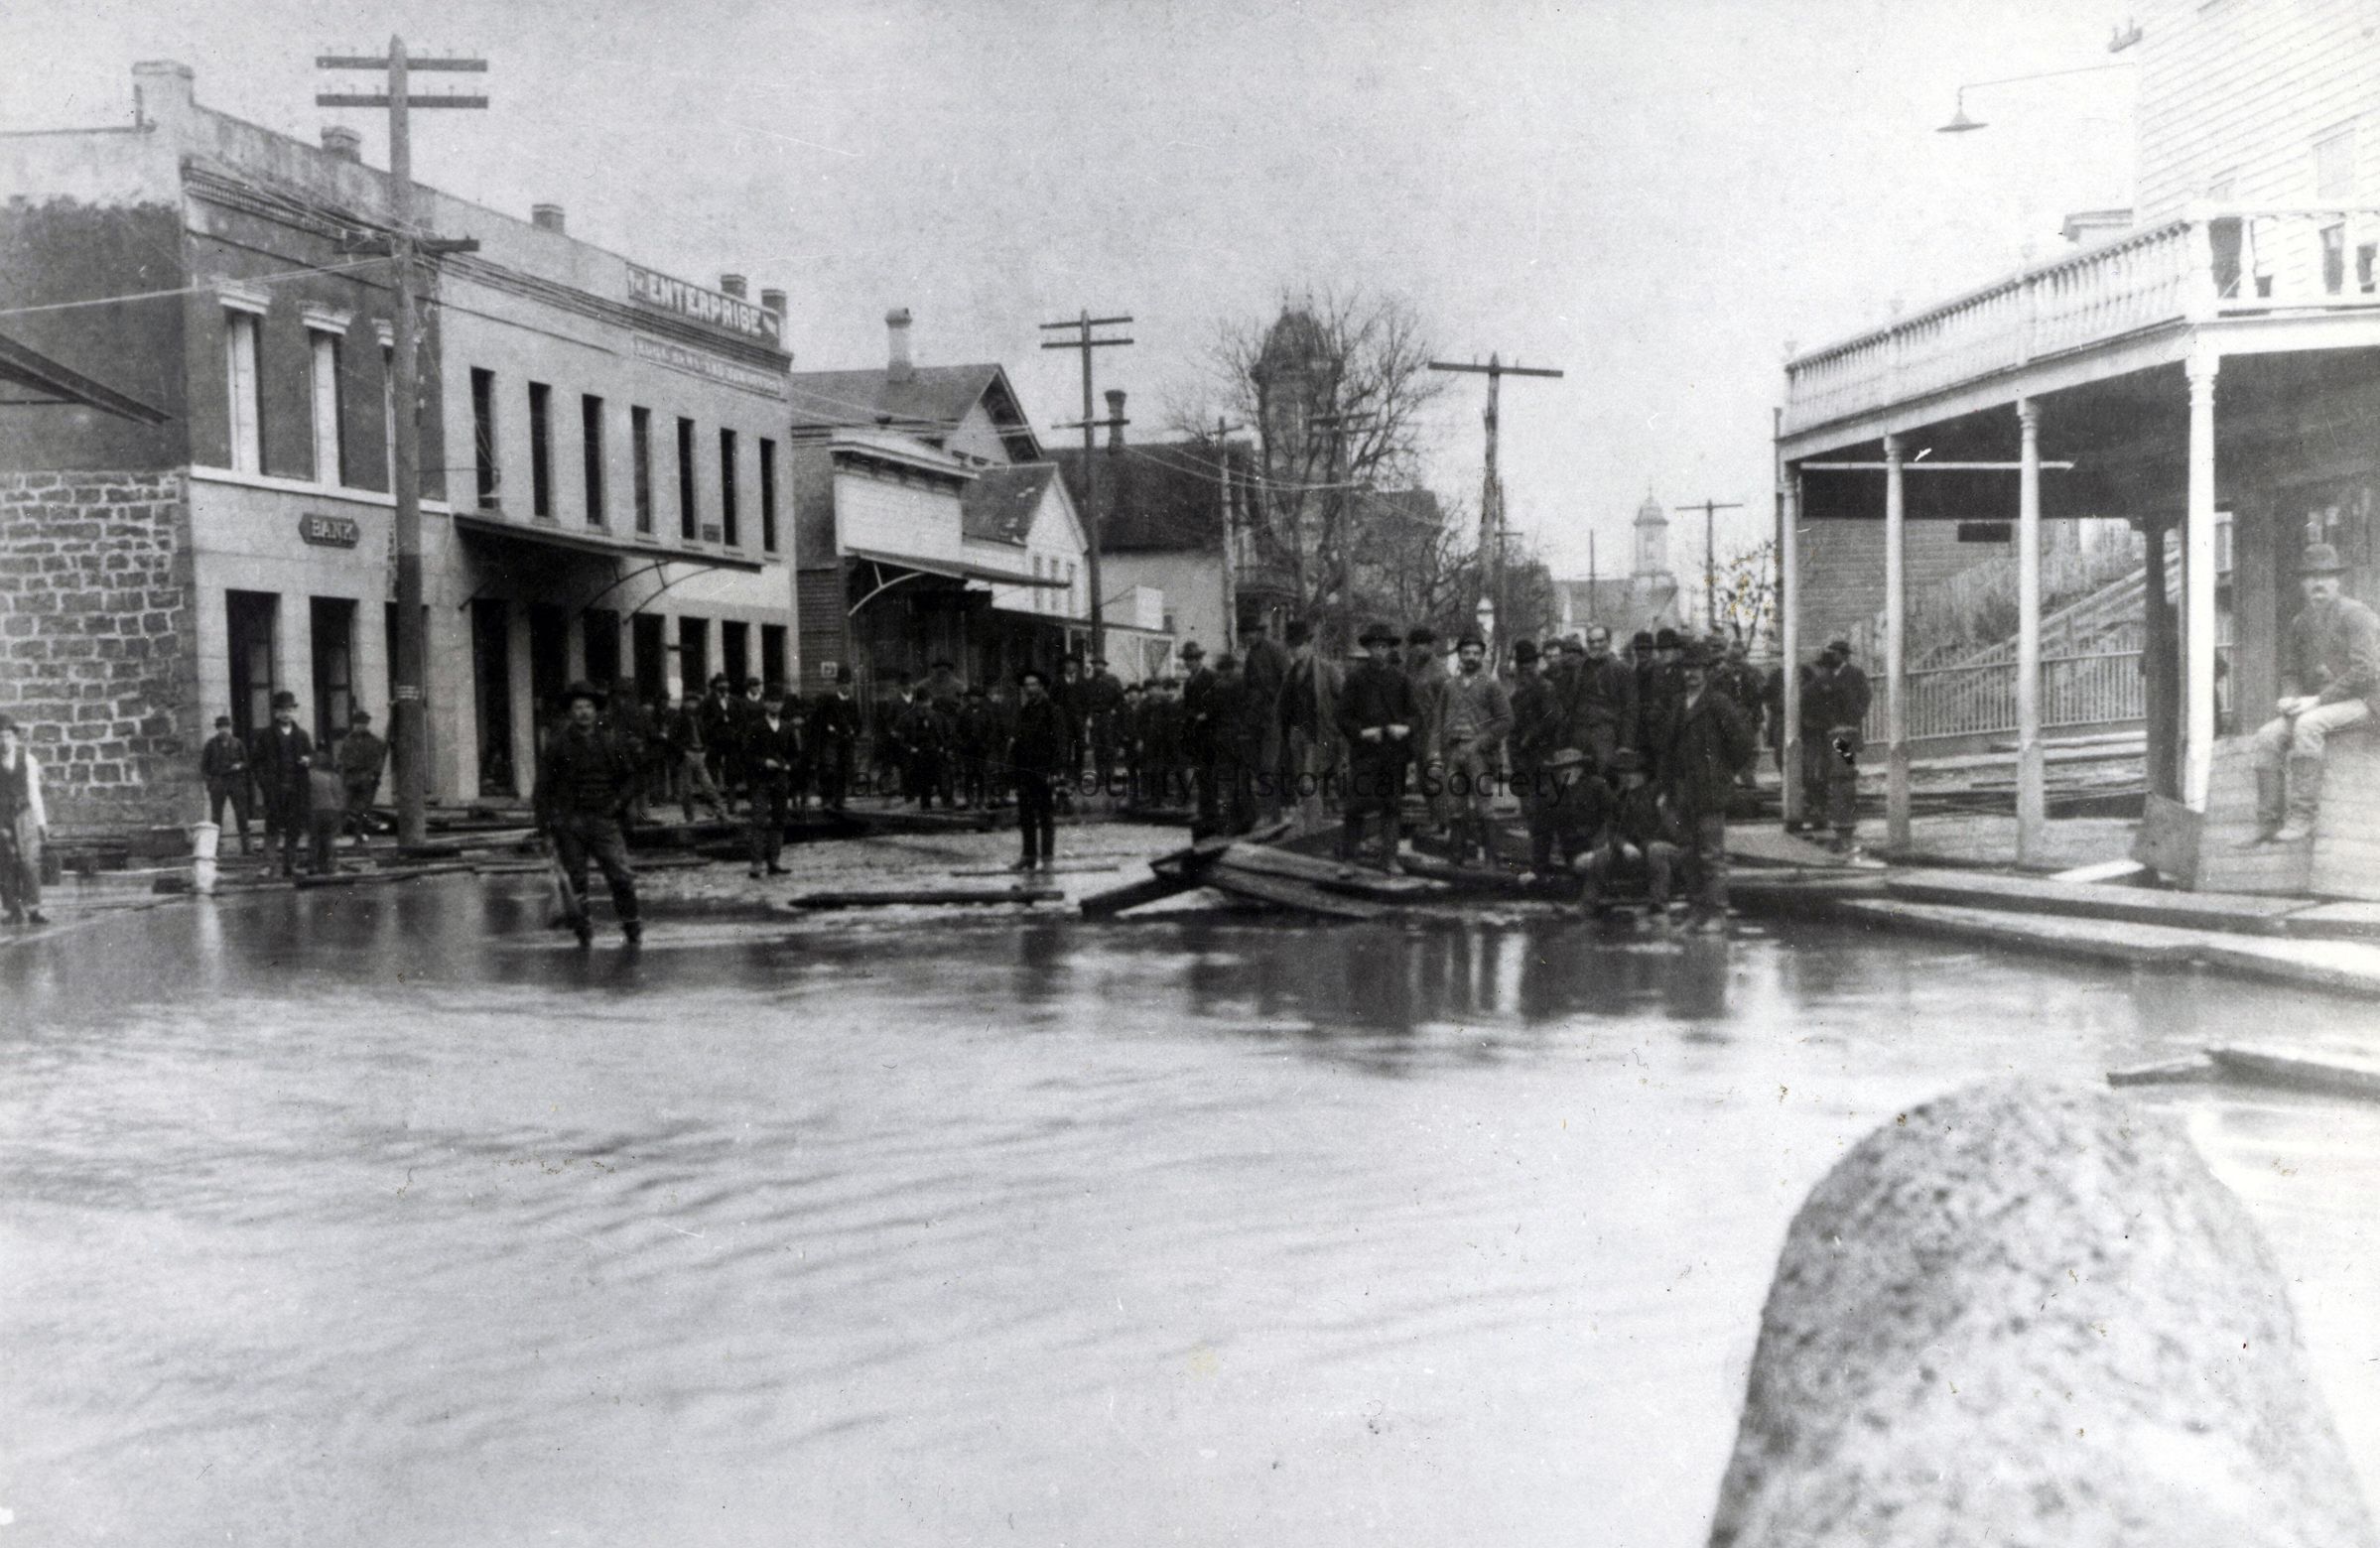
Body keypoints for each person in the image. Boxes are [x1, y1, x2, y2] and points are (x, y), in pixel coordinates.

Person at [2244, 541, 2380, 843]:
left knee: (2308, 725)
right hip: (2324, 704)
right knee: (2267, 736)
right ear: (2303, 583)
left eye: (2326, 576)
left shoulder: (2357, 615)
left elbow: (2366, 671)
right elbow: (2291, 672)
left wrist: (2316, 701)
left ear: (2337, 581)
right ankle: (2267, 822)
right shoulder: (2300, 623)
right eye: (2311, 577)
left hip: (2367, 702)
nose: (2318, 583)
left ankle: (2302, 818)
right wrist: (2290, 697)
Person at [1649, 646, 1758, 932]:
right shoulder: (1678, 704)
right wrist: (1665, 789)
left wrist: (1722, 773)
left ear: (1706, 672)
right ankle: (1697, 912)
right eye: (1686, 669)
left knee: (1711, 855)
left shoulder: (1718, 703)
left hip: (1709, 792)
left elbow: (1743, 743)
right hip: (1683, 792)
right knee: (1689, 855)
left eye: (1696, 669)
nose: (1691, 674)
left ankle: (1717, 913)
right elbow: (1667, 751)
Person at [533, 680, 643, 947]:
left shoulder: (611, 742)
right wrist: (545, 829)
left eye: (588, 707)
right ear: (570, 712)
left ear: (595, 711)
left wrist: (619, 803)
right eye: (578, 707)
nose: (583, 712)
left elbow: (632, 777)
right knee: (576, 880)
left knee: (621, 876)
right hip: (570, 822)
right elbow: (543, 788)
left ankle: (632, 929)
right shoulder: (558, 745)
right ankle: (583, 933)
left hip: (604, 819)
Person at [1337, 621, 1419, 876]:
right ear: (1368, 649)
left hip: (1393, 753)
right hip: (1365, 753)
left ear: (1390, 649)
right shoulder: (1356, 679)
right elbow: (1342, 716)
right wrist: (1361, 732)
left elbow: (1415, 715)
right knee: (1355, 806)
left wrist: (1404, 728)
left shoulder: (1401, 679)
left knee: (1392, 806)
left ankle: (1389, 858)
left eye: (1384, 647)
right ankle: (1350, 860)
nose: (1379, 652)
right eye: (1375, 647)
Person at [1434, 631, 1513, 866]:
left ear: (1482, 656)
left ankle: (1491, 859)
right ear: (1459, 655)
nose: (1471, 657)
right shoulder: (1449, 686)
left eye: (1476, 653)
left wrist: (1480, 742)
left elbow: (1506, 720)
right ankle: (1456, 857)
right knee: (1455, 806)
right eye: (1466, 653)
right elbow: (1438, 721)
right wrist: (1435, 751)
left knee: (1484, 807)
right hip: (1453, 753)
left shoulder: (1491, 685)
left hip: (1479, 754)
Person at [1577, 747, 1678, 918]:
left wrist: (1661, 810)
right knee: (1601, 856)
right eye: (1624, 773)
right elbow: (1613, 830)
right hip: (1639, 852)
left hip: (1669, 851)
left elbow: (1671, 831)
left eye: (1634, 773)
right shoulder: (1621, 799)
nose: (1628, 777)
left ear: (1644, 774)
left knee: (1656, 850)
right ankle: (1585, 909)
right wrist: (1624, 845)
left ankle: (1659, 908)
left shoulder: (1659, 794)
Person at [1278, 619, 1342, 834]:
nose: (1295, 650)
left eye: (1299, 645)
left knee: (1308, 782)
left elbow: (1345, 701)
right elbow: (1283, 707)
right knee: (1302, 783)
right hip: (1296, 734)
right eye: (1292, 646)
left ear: (1309, 644)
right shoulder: (1291, 674)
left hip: (1318, 734)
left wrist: (1336, 731)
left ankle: (1313, 830)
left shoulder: (1327, 670)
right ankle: (1307, 827)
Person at [1507, 639, 1563, 873]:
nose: (1526, 667)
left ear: (1536, 663)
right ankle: (1536, 859)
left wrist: (1531, 736)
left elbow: (1553, 718)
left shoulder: (1545, 687)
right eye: (1522, 663)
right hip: (1522, 758)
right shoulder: (1516, 692)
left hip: (1543, 755)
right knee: (1529, 807)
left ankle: (1545, 859)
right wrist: (1515, 749)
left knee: (1545, 807)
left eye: (1530, 662)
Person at [249, 689, 315, 879]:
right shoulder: (266, 735)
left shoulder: (302, 735)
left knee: (294, 828)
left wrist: (308, 759)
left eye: (290, 710)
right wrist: (264, 783)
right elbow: (256, 762)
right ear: (276, 713)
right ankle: (268, 865)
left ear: (294, 712)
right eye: (282, 710)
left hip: (296, 788)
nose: (286, 714)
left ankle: (289, 865)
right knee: (272, 827)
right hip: (274, 789)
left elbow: (311, 755)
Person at [1008, 667, 1068, 872]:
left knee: (1045, 814)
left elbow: (1060, 742)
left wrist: (1056, 771)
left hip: (1044, 769)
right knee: (1025, 814)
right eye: (1026, 685)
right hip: (1024, 769)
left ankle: (1048, 858)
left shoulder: (1052, 710)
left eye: (1033, 684)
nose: (1029, 689)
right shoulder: (1024, 711)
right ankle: (1028, 856)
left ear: (1042, 687)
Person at [743, 685, 803, 878]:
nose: (775, 705)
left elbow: (795, 755)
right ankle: (756, 864)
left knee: (779, 820)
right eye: (771, 702)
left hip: (780, 780)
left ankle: (774, 861)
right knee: (759, 821)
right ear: (765, 703)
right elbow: (747, 755)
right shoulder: (755, 726)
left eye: (778, 702)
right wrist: (763, 762)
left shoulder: (787, 727)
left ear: (782, 705)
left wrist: (789, 766)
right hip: (761, 781)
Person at [1561, 624, 1639, 773]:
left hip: (1606, 735)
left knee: (1605, 776)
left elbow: (1631, 710)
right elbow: (1569, 704)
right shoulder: (1578, 669)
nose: (1595, 645)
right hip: (1579, 734)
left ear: (1608, 642)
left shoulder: (1622, 670)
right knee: (1575, 778)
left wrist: (1626, 745)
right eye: (1591, 641)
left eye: (1600, 641)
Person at [1238, 620, 1290, 819]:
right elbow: (1247, 686)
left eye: (1251, 633)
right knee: (1257, 764)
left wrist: (1279, 709)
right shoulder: (1251, 654)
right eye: (1245, 634)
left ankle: (1273, 812)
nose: (1248, 637)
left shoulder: (1274, 650)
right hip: (1257, 717)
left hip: (1274, 716)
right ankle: (1268, 810)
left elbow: (1287, 681)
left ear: (1259, 633)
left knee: (1270, 764)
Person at [0, 715, 50, 925]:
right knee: (6, 862)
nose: (4, 742)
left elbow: (34, 792)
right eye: (0, 737)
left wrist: (41, 822)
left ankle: (33, 909)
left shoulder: (28, 760)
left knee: (30, 861)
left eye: (7, 736)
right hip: (2, 817)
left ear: (15, 738)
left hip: (25, 814)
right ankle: (12, 909)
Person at [1404, 625, 1452, 837]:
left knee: (1435, 777)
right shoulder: (1412, 668)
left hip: (1436, 732)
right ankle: (1436, 818)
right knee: (1424, 778)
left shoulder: (1440, 672)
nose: (1418, 649)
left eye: (1423, 645)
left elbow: (1450, 705)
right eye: (1415, 645)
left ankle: (1442, 821)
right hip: (1418, 732)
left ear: (1430, 646)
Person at [665, 690, 730, 823]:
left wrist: (705, 750)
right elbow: (672, 739)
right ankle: (689, 817)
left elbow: (705, 737)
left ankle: (721, 812)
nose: (692, 705)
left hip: (700, 754)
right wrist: (683, 751)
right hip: (687, 756)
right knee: (687, 789)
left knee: (709, 786)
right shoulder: (678, 719)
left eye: (695, 702)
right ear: (684, 703)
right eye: (690, 702)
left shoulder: (698, 719)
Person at [1204, 652, 1252, 834]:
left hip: (1226, 737)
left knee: (1228, 781)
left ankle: (1233, 821)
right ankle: (1245, 819)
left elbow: (1212, 710)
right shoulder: (1242, 683)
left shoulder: (1220, 686)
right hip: (1240, 736)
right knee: (1241, 779)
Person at [199, 713, 253, 854]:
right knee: (216, 816)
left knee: (241, 813)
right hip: (218, 781)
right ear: (217, 729)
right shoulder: (211, 744)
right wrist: (210, 783)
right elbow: (204, 767)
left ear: (230, 728)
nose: (224, 730)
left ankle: (247, 847)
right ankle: (215, 848)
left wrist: (240, 765)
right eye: (221, 727)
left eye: (226, 727)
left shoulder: (237, 743)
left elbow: (247, 762)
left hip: (236, 781)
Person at [808, 668, 859, 813]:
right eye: (843, 683)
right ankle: (827, 800)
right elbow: (820, 720)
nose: (846, 686)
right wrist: (829, 728)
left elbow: (857, 722)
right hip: (831, 742)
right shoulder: (829, 701)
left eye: (848, 684)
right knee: (829, 770)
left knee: (843, 771)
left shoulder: (853, 703)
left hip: (846, 742)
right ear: (838, 685)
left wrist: (853, 731)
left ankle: (839, 801)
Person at [335, 710, 388, 846]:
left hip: (366, 777)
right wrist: (341, 776)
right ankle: (338, 832)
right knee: (343, 806)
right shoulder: (348, 740)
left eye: (363, 723)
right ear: (354, 724)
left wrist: (373, 774)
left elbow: (379, 759)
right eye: (358, 723)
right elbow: (341, 759)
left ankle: (359, 833)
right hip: (350, 777)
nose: (360, 726)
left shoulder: (374, 741)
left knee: (363, 809)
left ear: (367, 724)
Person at [895, 682, 951, 809]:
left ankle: (945, 803)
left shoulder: (938, 717)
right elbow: (901, 738)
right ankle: (926, 806)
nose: (925, 705)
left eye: (927, 702)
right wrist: (911, 748)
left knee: (942, 781)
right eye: (922, 702)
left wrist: (944, 747)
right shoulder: (909, 718)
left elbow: (948, 734)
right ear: (917, 703)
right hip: (920, 754)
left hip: (936, 753)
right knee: (924, 784)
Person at [1179, 641, 1218, 823]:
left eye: (1192, 659)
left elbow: (1218, 701)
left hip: (1209, 731)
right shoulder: (1188, 682)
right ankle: (1204, 810)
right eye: (1187, 660)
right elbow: (1187, 705)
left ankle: (1211, 811)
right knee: (1200, 772)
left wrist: (1207, 714)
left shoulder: (1210, 677)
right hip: (1195, 732)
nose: (1189, 663)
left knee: (1209, 771)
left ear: (1199, 659)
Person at [1084, 655, 1126, 797]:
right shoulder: (1089, 682)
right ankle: (1100, 777)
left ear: (1104, 666)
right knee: (1098, 748)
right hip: (1095, 717)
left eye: (1100, 664)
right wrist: (1089, 716)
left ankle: (1109, 776)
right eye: (1095, 664)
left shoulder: (1112, 680)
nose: (1097, 667)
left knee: (1109, 747)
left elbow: (1120, 698)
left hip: (1109, 716)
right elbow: (1086, 701)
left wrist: (1114, 710)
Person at [955, 685, 997, 810]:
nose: (974, 699)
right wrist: (962, 744)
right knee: (969, 774)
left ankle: (982, 799)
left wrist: (986, 744)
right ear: (969, 698)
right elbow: (957, 731)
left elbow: (992, 730)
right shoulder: (963, 713)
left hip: (982, 749)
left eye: (977, 697)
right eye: (972, 696)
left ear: (981, 698)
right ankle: (970, 800)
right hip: (968, 749)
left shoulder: (987, 712)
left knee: (981, 774)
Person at [306, 760, 347, 876]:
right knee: (328, 838)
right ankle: (329, 865)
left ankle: (313, 865)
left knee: (314, 839)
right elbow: (339, 795)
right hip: (331, 810)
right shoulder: (334, 777)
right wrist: (340, 812)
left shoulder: (309, 775)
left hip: (314, 809)